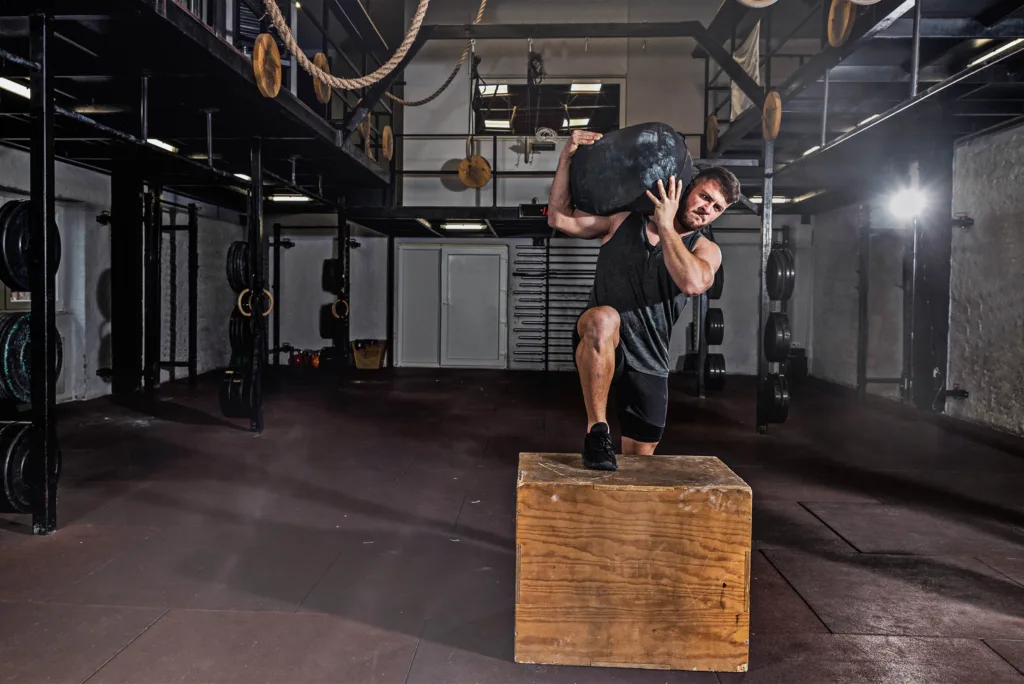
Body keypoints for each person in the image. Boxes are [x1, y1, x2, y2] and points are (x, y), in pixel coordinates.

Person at [547, 129, 740, 471]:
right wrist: (567, 158)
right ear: (686, 187)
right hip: (606, 342)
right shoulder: (622, 220)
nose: (706, 209)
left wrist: (666, 227)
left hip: (650, 359)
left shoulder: (705, 249)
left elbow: (693, 283)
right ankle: (597, 431)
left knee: (640, 465)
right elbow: (558, 217)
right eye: (704, 196)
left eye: (716, 207)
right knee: (602, 317)